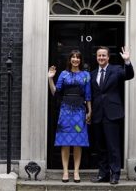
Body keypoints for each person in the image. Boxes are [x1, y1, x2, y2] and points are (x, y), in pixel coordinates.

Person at [90, 46, 134, 185]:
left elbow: (129, 75)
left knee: (113, 146)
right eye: (99, 55)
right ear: (96, 57)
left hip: (112, 114)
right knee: (101, 147)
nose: (101, 58)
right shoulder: (92, 73)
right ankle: (103, 174)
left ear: (108, 57)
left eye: (104, 55)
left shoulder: (116, 70)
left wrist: (127, 61)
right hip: (97, 114)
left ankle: (115, 174)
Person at [48, 50, 92, 183]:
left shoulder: (86, 75)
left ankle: (76, 172)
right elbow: (56, 92)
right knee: (65, 143)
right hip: (65, 111)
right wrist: (50, 78)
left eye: (78, 57)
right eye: (73, 57)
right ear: (70, 59)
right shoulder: (63, 74)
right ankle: (66, 171)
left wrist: (89, 111)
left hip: (79, 110)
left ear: (80, 60)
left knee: (77, 143)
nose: (75, 59)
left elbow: (88, 95)